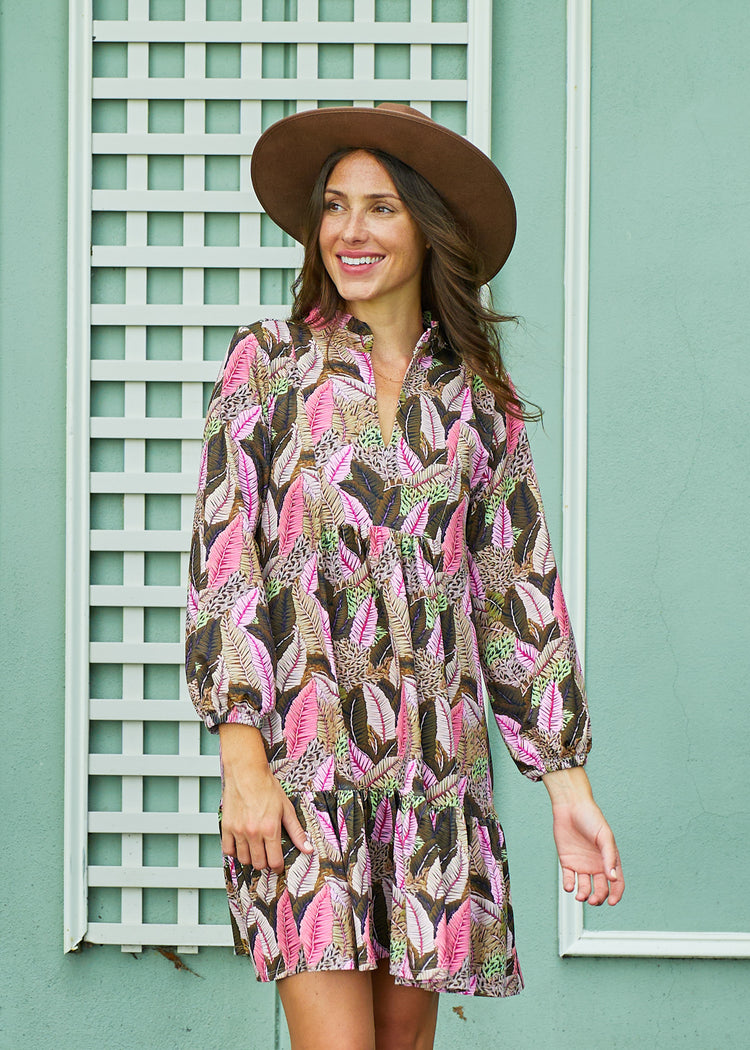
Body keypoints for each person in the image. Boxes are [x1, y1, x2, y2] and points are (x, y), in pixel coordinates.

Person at [185, 103, 623, 1050]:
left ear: (429, 225)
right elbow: (227, 566)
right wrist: (243, 763)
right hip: (304, 775)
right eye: (336, 206)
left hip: (431, 780)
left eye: (381, 208)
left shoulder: (478, 400)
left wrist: (567, 784)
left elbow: (517, 595)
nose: (351, 230)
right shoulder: (266, 366)